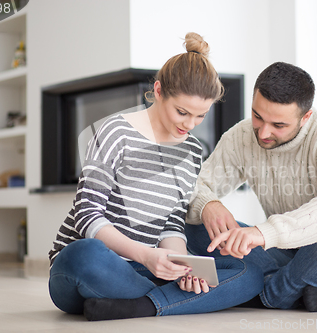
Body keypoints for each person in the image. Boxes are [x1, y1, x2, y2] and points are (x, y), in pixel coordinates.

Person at [48, 33, 263, 321]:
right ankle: (168, 300)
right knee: (84, 254)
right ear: (159, 91)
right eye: (182, 112)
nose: (190, 125)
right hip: (93, 267)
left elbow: (172, 220)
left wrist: (182, 266)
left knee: (249, 272)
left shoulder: (192, 151)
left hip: (144, 268)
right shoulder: (115, 132)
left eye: (201, 116)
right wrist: (147, 257)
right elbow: (86, 214)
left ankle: (143, 305)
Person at [185, 61, 317, 312]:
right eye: (257, 116)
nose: (263, 132)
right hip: (289, 256)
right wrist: (207, 204)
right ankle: (302, 288)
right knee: (194, 224)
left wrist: (264, 233)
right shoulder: (241, 136)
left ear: (305, 117)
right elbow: (193, 185)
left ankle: (269, 295)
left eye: (279, 125)